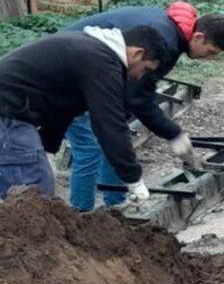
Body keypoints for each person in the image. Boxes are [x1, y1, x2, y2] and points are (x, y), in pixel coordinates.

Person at [61, 2, 224, 210]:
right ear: (198, 37)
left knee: (115, 138)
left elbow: (131, 91)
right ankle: (81, 216)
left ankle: (115, 207)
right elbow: (138, 97)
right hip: (68, 71)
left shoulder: (170, 31)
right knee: (89, 149)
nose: (210, 58)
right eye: (211, 51)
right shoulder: (164, 41)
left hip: (93, 73)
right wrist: (173, 133)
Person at [0, 23, 167, 203]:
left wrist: (48, 148)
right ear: (137, 53)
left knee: (29, 194)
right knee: (34, 193)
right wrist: (133, 179)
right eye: (146, 69)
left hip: (11, 111)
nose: (140, 76)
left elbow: (62, 107)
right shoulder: (102, 62)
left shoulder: (90, 51)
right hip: (8, 113)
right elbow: (110, 124)